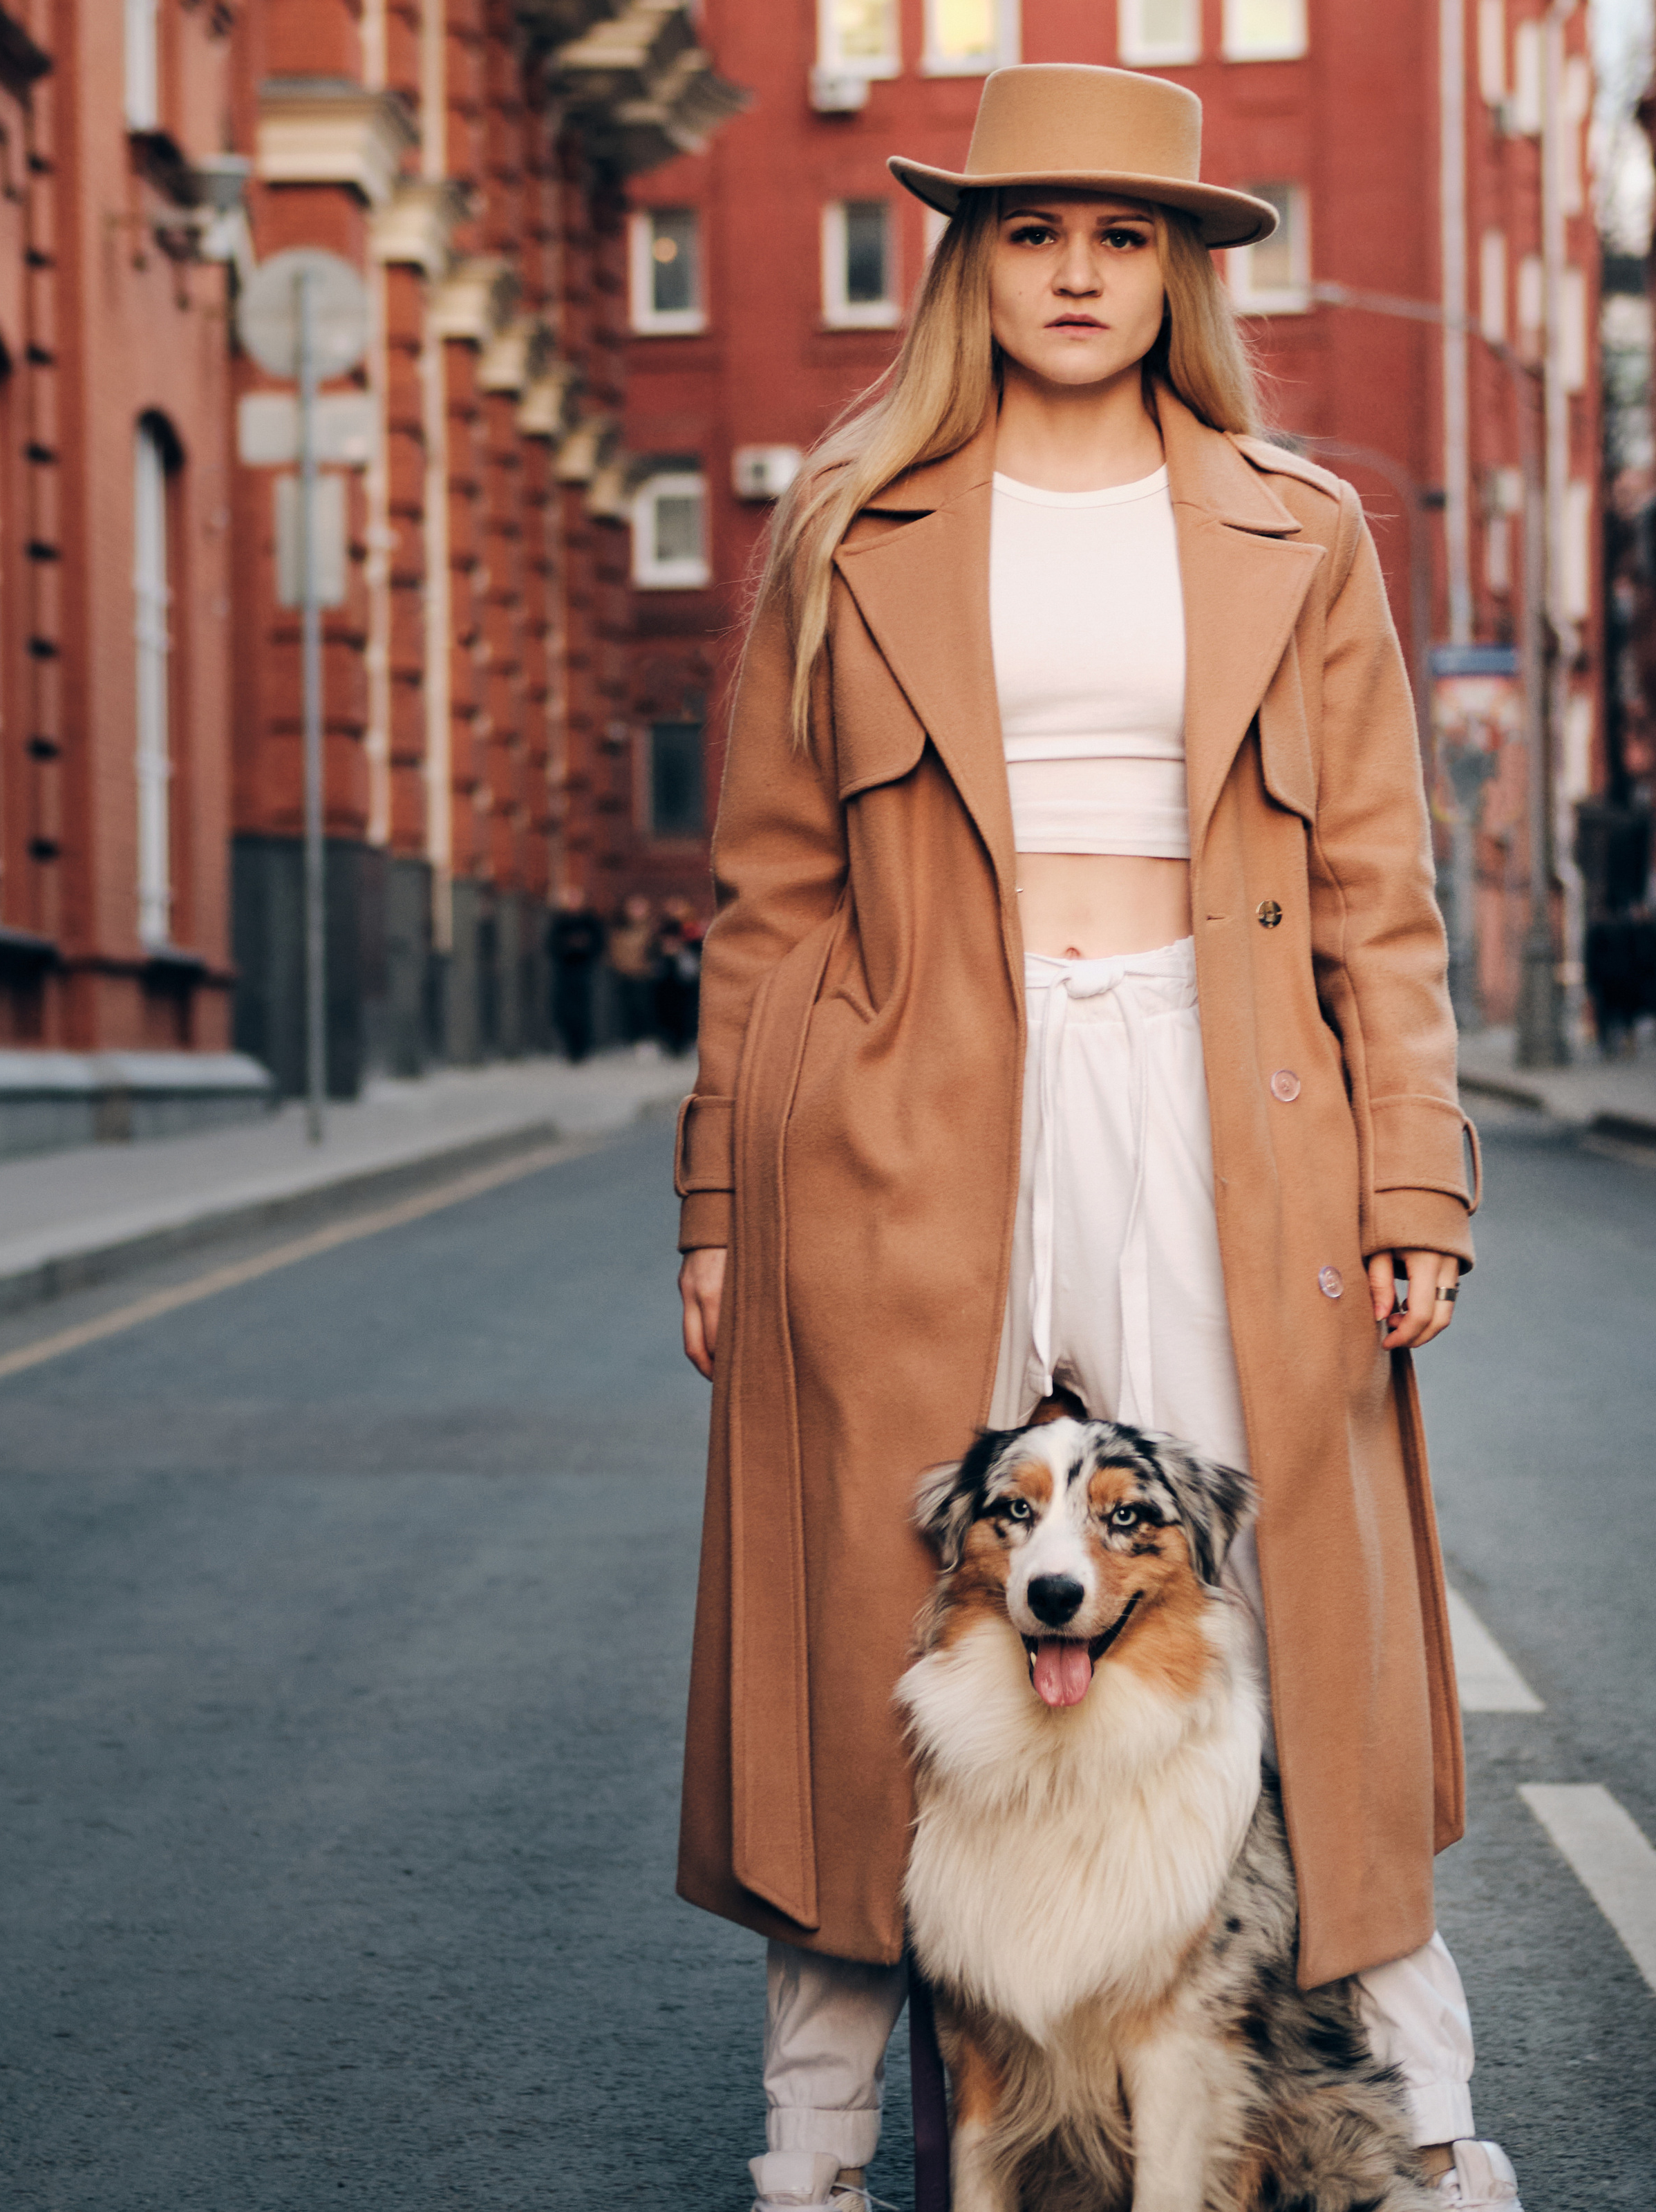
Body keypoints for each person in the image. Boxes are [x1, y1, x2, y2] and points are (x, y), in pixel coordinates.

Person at [672, 65, 1520, 2212]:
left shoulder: (1292, 520)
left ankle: (1422, 2125)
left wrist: (1410, 1165)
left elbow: (1373, 892)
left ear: (1175, 270)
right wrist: (717, 1196)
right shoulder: (846, 517)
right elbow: (764, 900)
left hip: (1224, 1107)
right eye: (1034, 232)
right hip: (900, 1118)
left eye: (1122, 236)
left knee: (1303, 1613)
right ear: (975, 260)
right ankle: (814, 2145)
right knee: (873, 1618)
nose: (1075, 272)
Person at [545, 883, 606, 1064]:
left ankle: (582, 1048)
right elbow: (551, 945)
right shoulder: (560, 921)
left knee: (582, 1010)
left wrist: (583, 947)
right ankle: (569, 1047)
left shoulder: (590, 921)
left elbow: (598, 945)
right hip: (564, 970)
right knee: (564, 1010)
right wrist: (568, 946)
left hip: (584, 970)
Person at [608, 892, 660, 1054]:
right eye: (633, 907)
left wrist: (649, 966)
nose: (636, 911)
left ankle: (647, 1040)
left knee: (645, 1008)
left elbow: (656, 951)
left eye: (640, 908)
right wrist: (619, 966)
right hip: (624, 974)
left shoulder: (652, 929)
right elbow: (614, 951)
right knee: (626, 1008)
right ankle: (630, 1040)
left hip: (645, 975)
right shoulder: (619, 930)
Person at [653, 895, 703, 1056]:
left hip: (686, 976)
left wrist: (680, 948)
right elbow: (655, 948)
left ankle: (687, 1041)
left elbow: (698, 948)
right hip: (667, 977)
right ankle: (671, 1042)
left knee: (688, 1009)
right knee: (668, 1009)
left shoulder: (692, 928)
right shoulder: (663, 927)